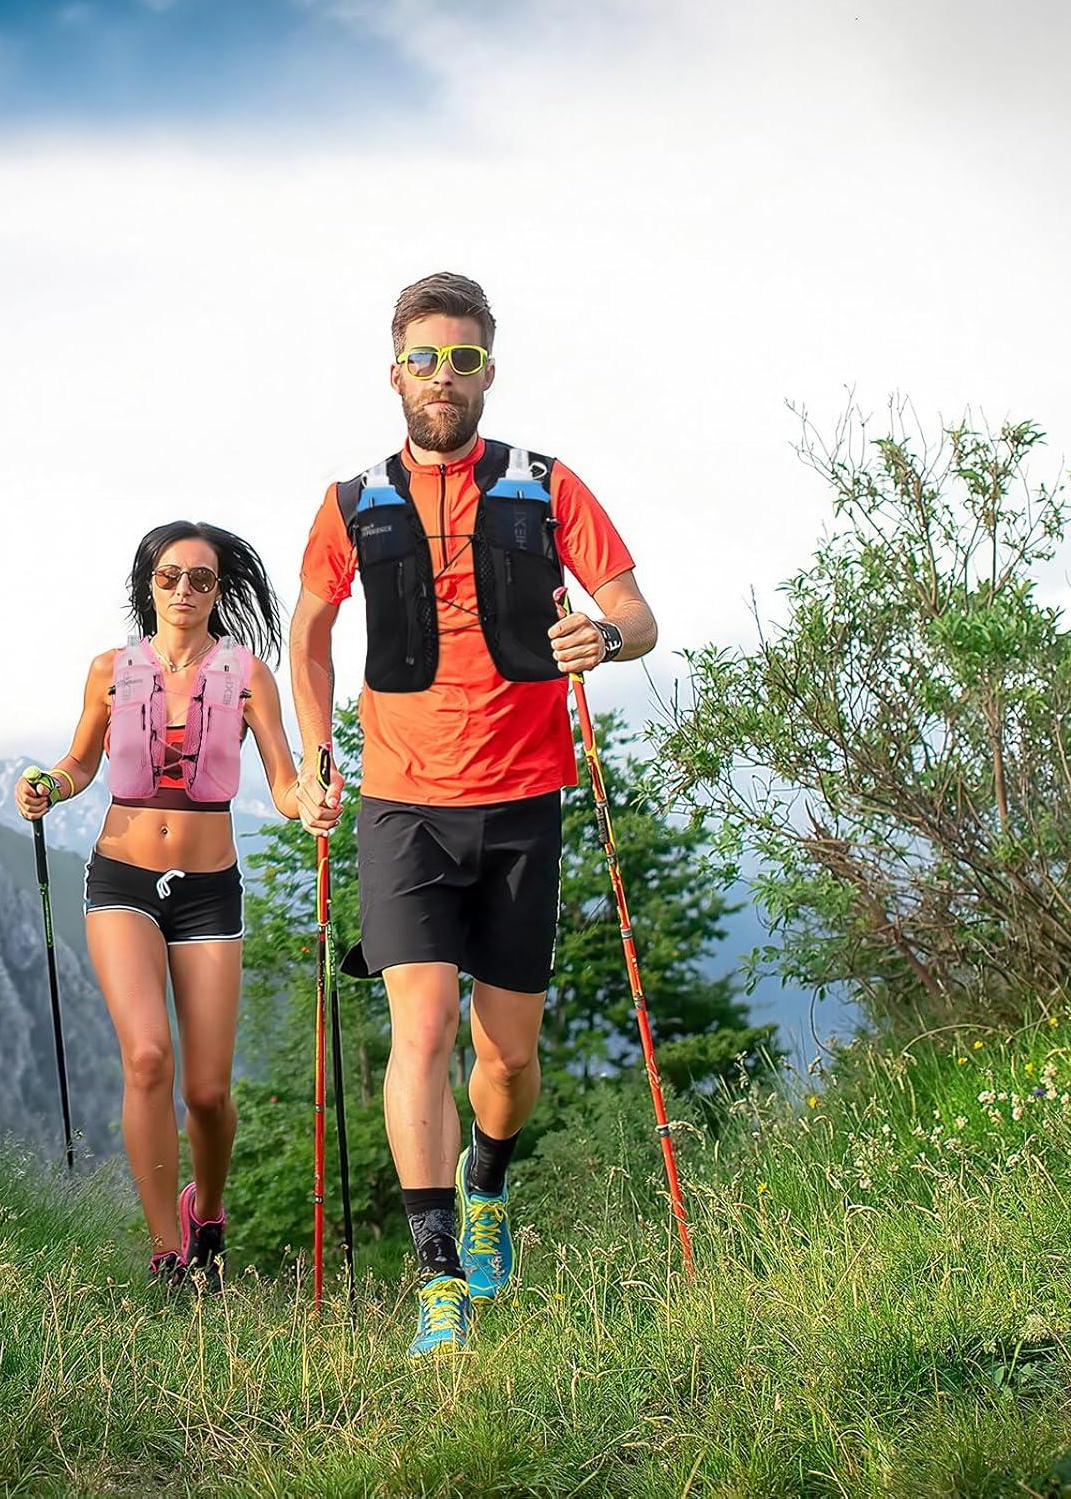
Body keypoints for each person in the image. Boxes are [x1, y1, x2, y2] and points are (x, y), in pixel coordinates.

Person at [290, 272, 656, 1354]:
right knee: (423, 1030)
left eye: (461, 359)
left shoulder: (547, 486)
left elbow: (636, 612)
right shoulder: (350, 502)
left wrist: (606, 637)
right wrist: (317, 755)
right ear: (394, 373)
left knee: (505, 1060)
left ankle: (487, 1179)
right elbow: (308, 636)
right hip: (402, 805)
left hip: (522, 802)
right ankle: (438, 1275)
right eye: (424, 359)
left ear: (488, 370)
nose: (441, 377)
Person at [17, 522, 301, 1287]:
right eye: (170, 576)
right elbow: (80, 762)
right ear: (149, 584)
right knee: (147, 1058)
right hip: (121, 879)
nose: (184, 590)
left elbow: (282, 781)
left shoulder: (248, 675)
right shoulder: (109, 671)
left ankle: (206, 1213)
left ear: (219, 591)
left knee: (207, 1093)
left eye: (201, 579)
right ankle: (167, 1255)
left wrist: (308, 800)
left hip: (210, 890)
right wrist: (48, 786)